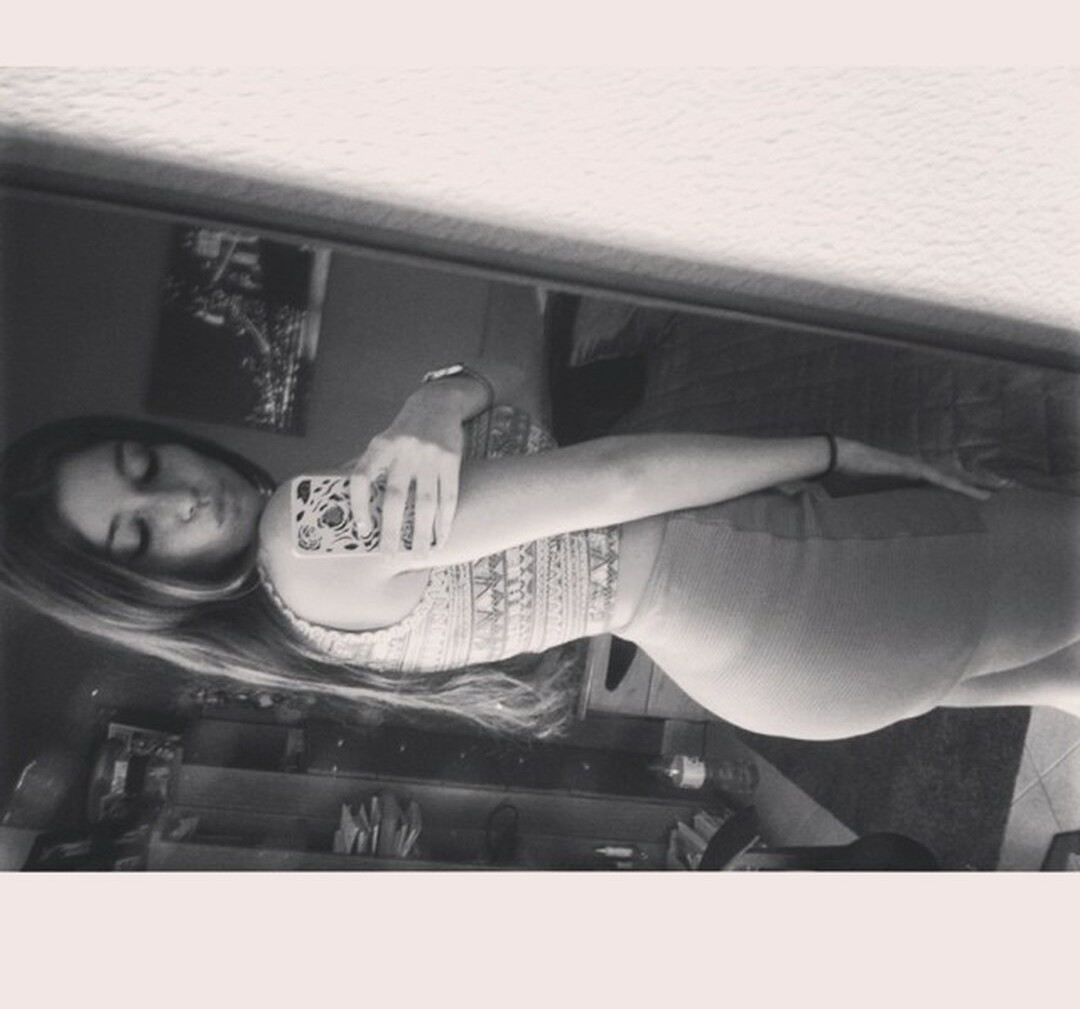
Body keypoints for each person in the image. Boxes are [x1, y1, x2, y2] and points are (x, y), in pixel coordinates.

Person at [2, 365, 1078, 740]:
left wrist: (439, 395)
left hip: (763, 663)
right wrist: (836, 450)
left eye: (144, 464)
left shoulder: (291, 620)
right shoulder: (304, 521)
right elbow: (614, 480)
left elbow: (503, 402)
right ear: (135, 591)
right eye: (139, 531)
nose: (182, 497)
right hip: (771, 582)